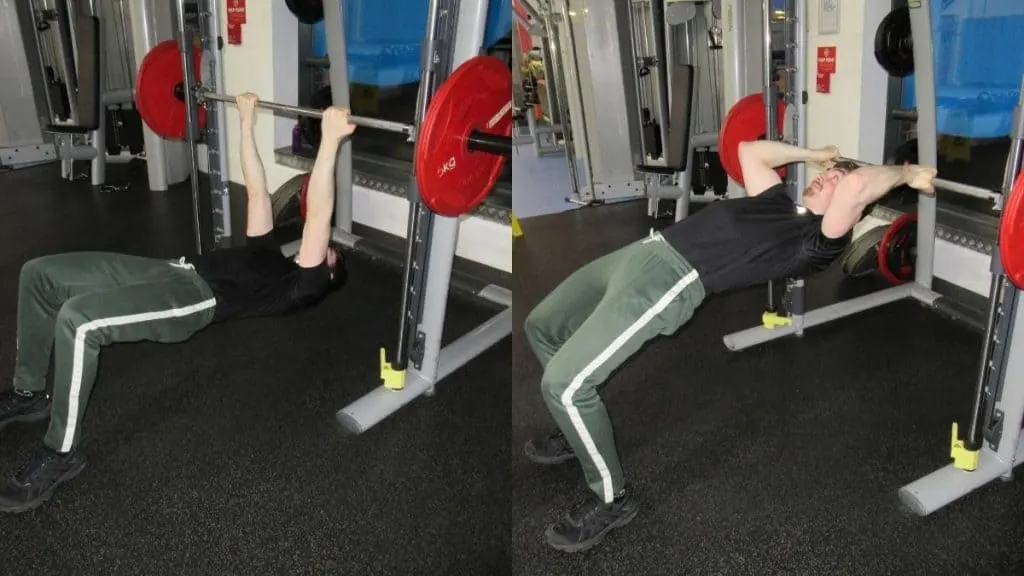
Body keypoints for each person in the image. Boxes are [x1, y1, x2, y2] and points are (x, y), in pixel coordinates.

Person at [521, 139, 938, 553]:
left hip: (668, 282)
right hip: (641, 253)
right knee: (542, 325)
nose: (828, 177)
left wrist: (907, 174)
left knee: (566, 386)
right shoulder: (777, 203)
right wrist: (814, 156)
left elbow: (857, 188)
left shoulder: (815, 242)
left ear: (851, 213)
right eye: (829, 173)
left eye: (836, 180)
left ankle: (613, 501)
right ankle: (575, 429)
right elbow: (749, 151)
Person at [0, 94, 356, 513]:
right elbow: (258, 193)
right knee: (38, 273)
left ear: (329, 272)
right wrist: (244, 123)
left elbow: (318, 216)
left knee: (80, 322)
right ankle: (30, 392)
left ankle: (61, 453)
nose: (326, 247)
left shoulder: (304, 286)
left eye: (331, 252)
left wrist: (330, 142)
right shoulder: (269, 256)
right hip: (172, 270)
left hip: (195, 299)